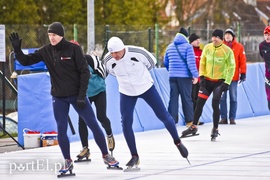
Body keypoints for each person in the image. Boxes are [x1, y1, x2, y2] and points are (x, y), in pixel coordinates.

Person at [9, 22, 119, 175]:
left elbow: (84, 73)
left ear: (61, 35)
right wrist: (17, 50)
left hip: (76, 95)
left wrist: (81, 96)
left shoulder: (74, 49)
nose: (51, 38)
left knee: (93, 123)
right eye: (49, 35)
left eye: (54, 35)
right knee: (61, 129)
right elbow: (26, 61)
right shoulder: (45, 51)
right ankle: (67, 161)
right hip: (59, 96)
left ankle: (106, 156)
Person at [103, 36, 189, 168]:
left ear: (122, 48)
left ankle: (177, 142)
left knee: (163, 116)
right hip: (126, 92)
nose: (114, 55)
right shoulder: (108, 60)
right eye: (112, 53)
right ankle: (134, 156)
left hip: (145, 87)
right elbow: (112, 72)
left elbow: (151, 63)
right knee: (126, 123)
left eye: (117, 52)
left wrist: (140, 77)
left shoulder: (137, 52)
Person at [182, 29, 235, 141]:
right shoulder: (207, 48)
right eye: (213, 37)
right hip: (207, 81)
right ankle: (194, 126)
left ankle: (215, 128)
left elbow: (231, 67)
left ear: (221, 39)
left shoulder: (227, 50)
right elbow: (202, 63)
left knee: (215, 104)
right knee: (199, 103)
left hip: (219, 82)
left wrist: (227, 82)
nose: (214, 39)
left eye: (216, 37)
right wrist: (201, 77)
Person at [164, 28, 199, 127]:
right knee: (186, 98)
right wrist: (195, 75)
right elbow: (191, 63)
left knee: (173, 98)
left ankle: (171, 121)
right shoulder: (188, 47)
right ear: (186, 37)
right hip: (184, 77)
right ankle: (189, 121)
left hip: (172, 77)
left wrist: (171, 71)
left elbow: (166, 62)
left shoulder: (169, 47)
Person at [219, 28, 247, 125]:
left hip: (233, 77)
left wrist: (243, 73)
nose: (227, 36)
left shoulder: (239, 47)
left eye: (229, 35)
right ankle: (223, 117)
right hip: (222, 77)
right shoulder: (220, 46)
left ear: (233, 37)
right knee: (222, 98)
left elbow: (242, 61)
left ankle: (232, 117)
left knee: (233, 97)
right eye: (226, 34)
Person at [189, 33, 204, 125]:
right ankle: (191, 119)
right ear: (191, 42)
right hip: (192, 79)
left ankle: (196, 118)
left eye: (199, 39)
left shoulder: (202, 52)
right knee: (192, 99)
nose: (198, 41)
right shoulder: (189, 51)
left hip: (200, 79)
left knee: (198, 100)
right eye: (196, 40)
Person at [259, 26, 270, 110]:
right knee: (269, 97)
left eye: (269, 34)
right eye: (266, 34)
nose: (267, 36)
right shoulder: (262, 45)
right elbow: (263, 56)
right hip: (268, 75)